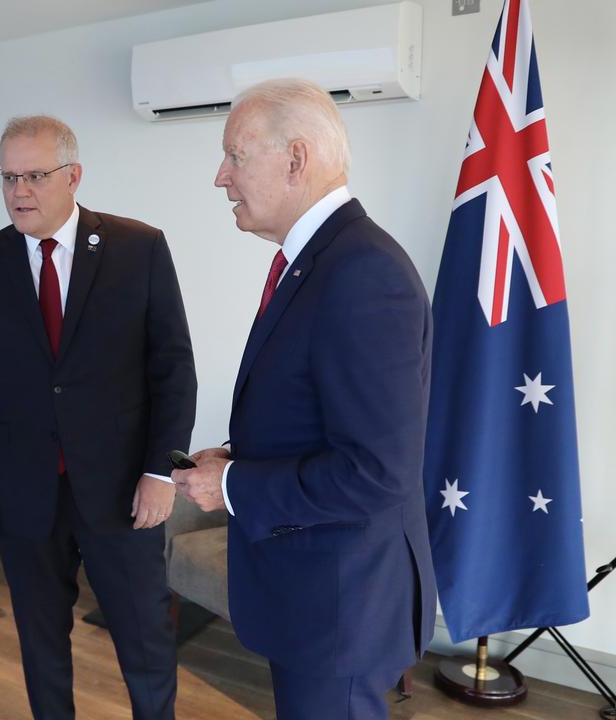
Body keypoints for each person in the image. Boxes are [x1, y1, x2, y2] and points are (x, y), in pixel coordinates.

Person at [175, 78, 437, 719]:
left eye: (235, 156)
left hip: (341, 606)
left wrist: (234, 485)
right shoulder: (321, 260)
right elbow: (321, 414)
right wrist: (240, 454)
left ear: (296, 160)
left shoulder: (361, 271)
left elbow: (375, 471)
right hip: (316, 596)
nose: (220, 177)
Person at [0, 115, 196, 719]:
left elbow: (174, 370)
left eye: (35, 175)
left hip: (121, 490)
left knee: (144, 637)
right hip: (24, 491)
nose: (19, 191)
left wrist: (161, 473)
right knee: (41, 641)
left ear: (74, 176)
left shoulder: (140, 249)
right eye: (7, 177)